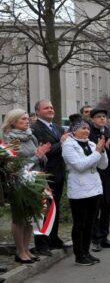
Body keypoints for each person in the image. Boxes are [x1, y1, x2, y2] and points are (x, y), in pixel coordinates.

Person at [2, 109, 50, 264]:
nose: (27, 120)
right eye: (23, 119)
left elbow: (41, 160)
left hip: (35, 181)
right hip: (19, 184)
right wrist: (37, 156)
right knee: (20, 219)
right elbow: (14, 166)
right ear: (13, 121)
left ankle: (27, 249)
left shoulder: (31, 136)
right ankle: (20, 251)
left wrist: (42, 156)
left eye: (27, 118)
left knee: (31, 218)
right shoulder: (9, 139)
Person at [62, 118, 108, 266]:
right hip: (79, 190)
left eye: (88, 129)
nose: (86, 131)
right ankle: (79, 254)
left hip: (94, 189)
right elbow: (80, 166)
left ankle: (87, 252)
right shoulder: (69, 145)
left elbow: (103, 165)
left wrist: (103, 150)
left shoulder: (92, 144)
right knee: (80, 224)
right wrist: (97, 152)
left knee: (90, 223)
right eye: (83, 128)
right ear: (74, 131)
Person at [30, 100, 68, 255]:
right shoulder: (34, 129)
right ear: (37, 112)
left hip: (58, 174)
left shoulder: (58, 128)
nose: (51, 110)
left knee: (55, 208)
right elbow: (43, 152)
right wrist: (61, 143)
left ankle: (53, 238)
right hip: (44, 175)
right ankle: (42, 243)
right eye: (46, 108)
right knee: (43, 210)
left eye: (52, 107)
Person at [88, 108, 110, 252]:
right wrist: (101, 149)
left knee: (107, 207)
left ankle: (104, 237)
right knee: (95, 208)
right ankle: (95, 239)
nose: (102, 119)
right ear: (92, 119)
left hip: (108, 175)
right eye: (99, 117)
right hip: (95, 174)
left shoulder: (109, 133)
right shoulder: (88, 134)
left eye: (104, 116)